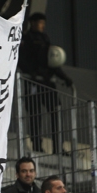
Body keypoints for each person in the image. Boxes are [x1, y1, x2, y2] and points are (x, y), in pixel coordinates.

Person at [19, 12, 73, 154]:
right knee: (35, 115)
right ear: (33, 23)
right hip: (33, 82)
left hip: (47, 82)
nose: (42, 25)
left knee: (56, 112)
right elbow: (21, 59)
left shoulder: (45, 38)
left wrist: (64, 77)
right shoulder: (26, 38)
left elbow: (52, 61)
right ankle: (37, 145)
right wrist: (32, 73)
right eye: (39, 23)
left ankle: (58, 147)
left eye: (43, 23)